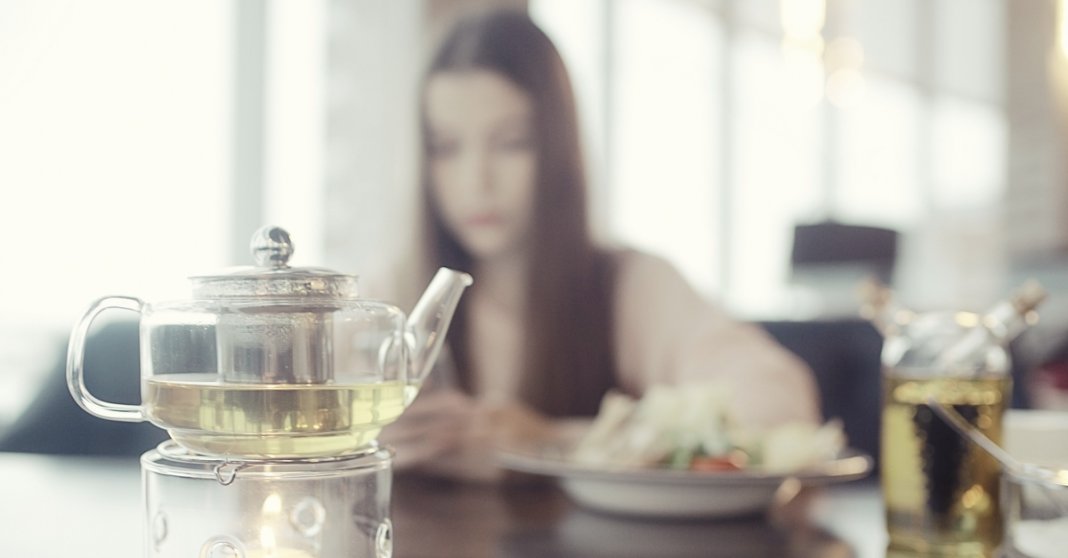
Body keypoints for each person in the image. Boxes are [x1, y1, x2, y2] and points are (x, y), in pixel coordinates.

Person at [379, 8, 820, 482]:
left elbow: (780, 403)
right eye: (446, 147)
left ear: (558, 148)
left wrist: (552, 441)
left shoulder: (629, 285)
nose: (476, 181)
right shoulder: (393, 297)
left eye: (511, 143)